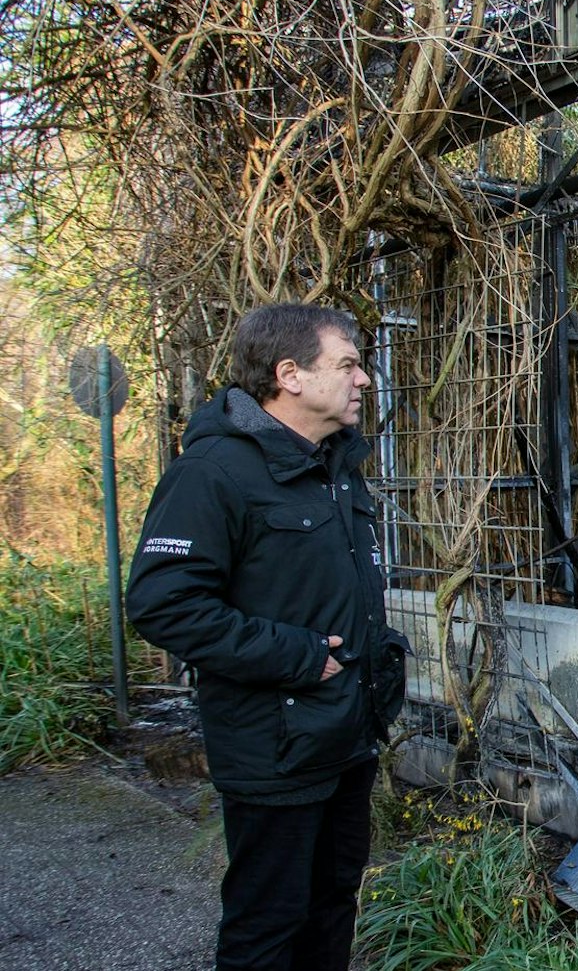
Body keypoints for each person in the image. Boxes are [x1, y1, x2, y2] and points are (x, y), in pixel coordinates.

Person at [127, 303, 408, 971]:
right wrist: (301, 658)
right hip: (275, 746)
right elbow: (164, 604)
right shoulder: (213, 474)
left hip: (344, 736)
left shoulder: (334, 468)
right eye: (346, 364)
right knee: (268, 921)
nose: (363, 379)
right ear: (290, 375)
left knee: (332, 901)